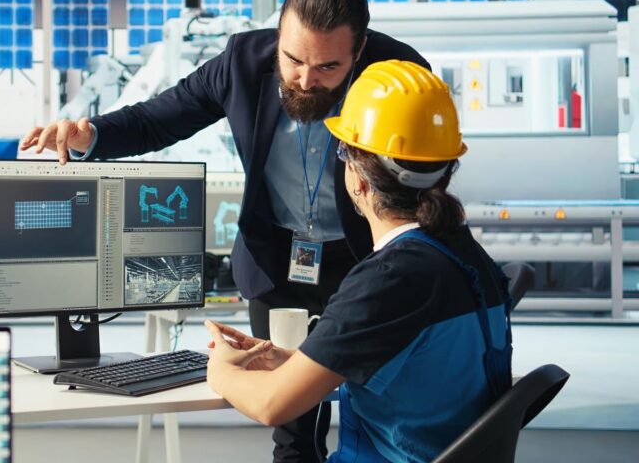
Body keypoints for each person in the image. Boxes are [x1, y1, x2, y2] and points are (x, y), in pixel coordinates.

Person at [22, 0, 429, 461]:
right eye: (294, 59)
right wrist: (92, 137)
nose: (305, 78)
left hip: (364, 263)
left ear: (358, 51)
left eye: (327, 68)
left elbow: (423, 176)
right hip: (278, 265)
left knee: (377, 412)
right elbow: (158, 119)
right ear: (277, 35)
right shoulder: (242, 62)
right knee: (292, 429)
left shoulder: (398, 71)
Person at [204, 60, 513, 463]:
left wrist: (220, 369)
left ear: (359, 179)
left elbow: (270, 406)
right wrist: (300, 361)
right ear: (445, 171)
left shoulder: (387, 279)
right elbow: (418, 363)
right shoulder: (465, 253)